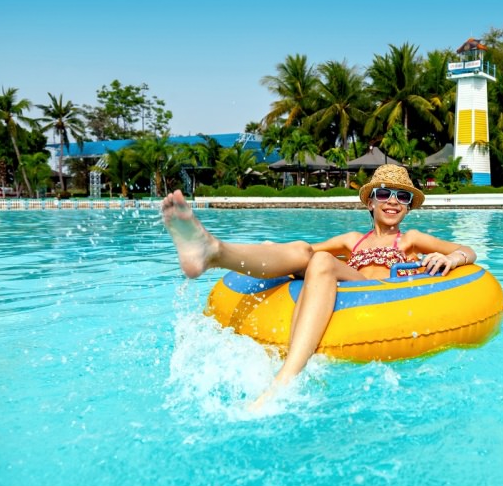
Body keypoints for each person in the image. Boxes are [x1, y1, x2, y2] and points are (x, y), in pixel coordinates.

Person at [162, 164, 476, 408]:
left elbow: (468, 251)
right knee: (302, 250)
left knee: (322, 262)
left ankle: (285, 378)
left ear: (409, 207)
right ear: (370, 202)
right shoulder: (352, 241)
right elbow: (304, 253)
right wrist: (273, 248)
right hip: (345, 282)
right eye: (383, 194)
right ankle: (213, 252)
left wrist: (453, 258)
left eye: (402, 197)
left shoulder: (411, 239)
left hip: (376, 292)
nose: (393, 202)